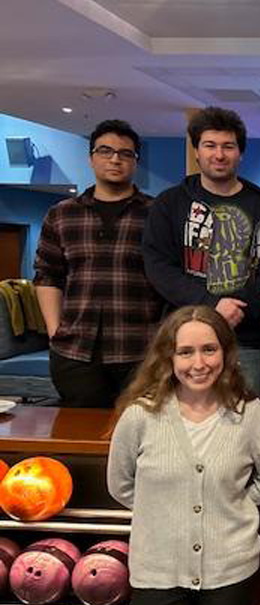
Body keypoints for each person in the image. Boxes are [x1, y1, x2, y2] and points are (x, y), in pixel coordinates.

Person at [107, 305, 260, 605]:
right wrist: (163, 509)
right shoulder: (140, 416)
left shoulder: (248, 412)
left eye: (209, 349)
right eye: (186, 352)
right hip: (157, 568)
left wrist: (235, 503)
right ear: (169, 357)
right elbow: (120, 484)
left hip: (228, 568)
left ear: (225, 352)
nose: (199, 363)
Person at [143, 106, 260, 393]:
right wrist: (211, 305)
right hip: (183, 338)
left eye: (228, 146)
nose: (219, 154)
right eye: (210, 145)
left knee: (242, 416)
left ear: (240, 153)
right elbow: (159, 266)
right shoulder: (169, 204)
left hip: (246, 340)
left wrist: (238, 306)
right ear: (196, 151)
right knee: (181, 415)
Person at [33, 119, 163, 408]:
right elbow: (47, 276)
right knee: (82, 431)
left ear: (135, 162)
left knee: (143, 430)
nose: (115, 159)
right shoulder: (62, 214)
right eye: (105, 151)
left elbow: (169, 277)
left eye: (125, 153)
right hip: (76, 353)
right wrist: (55, 332)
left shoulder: (156, 214)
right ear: (91, 158)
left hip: (141, 351)